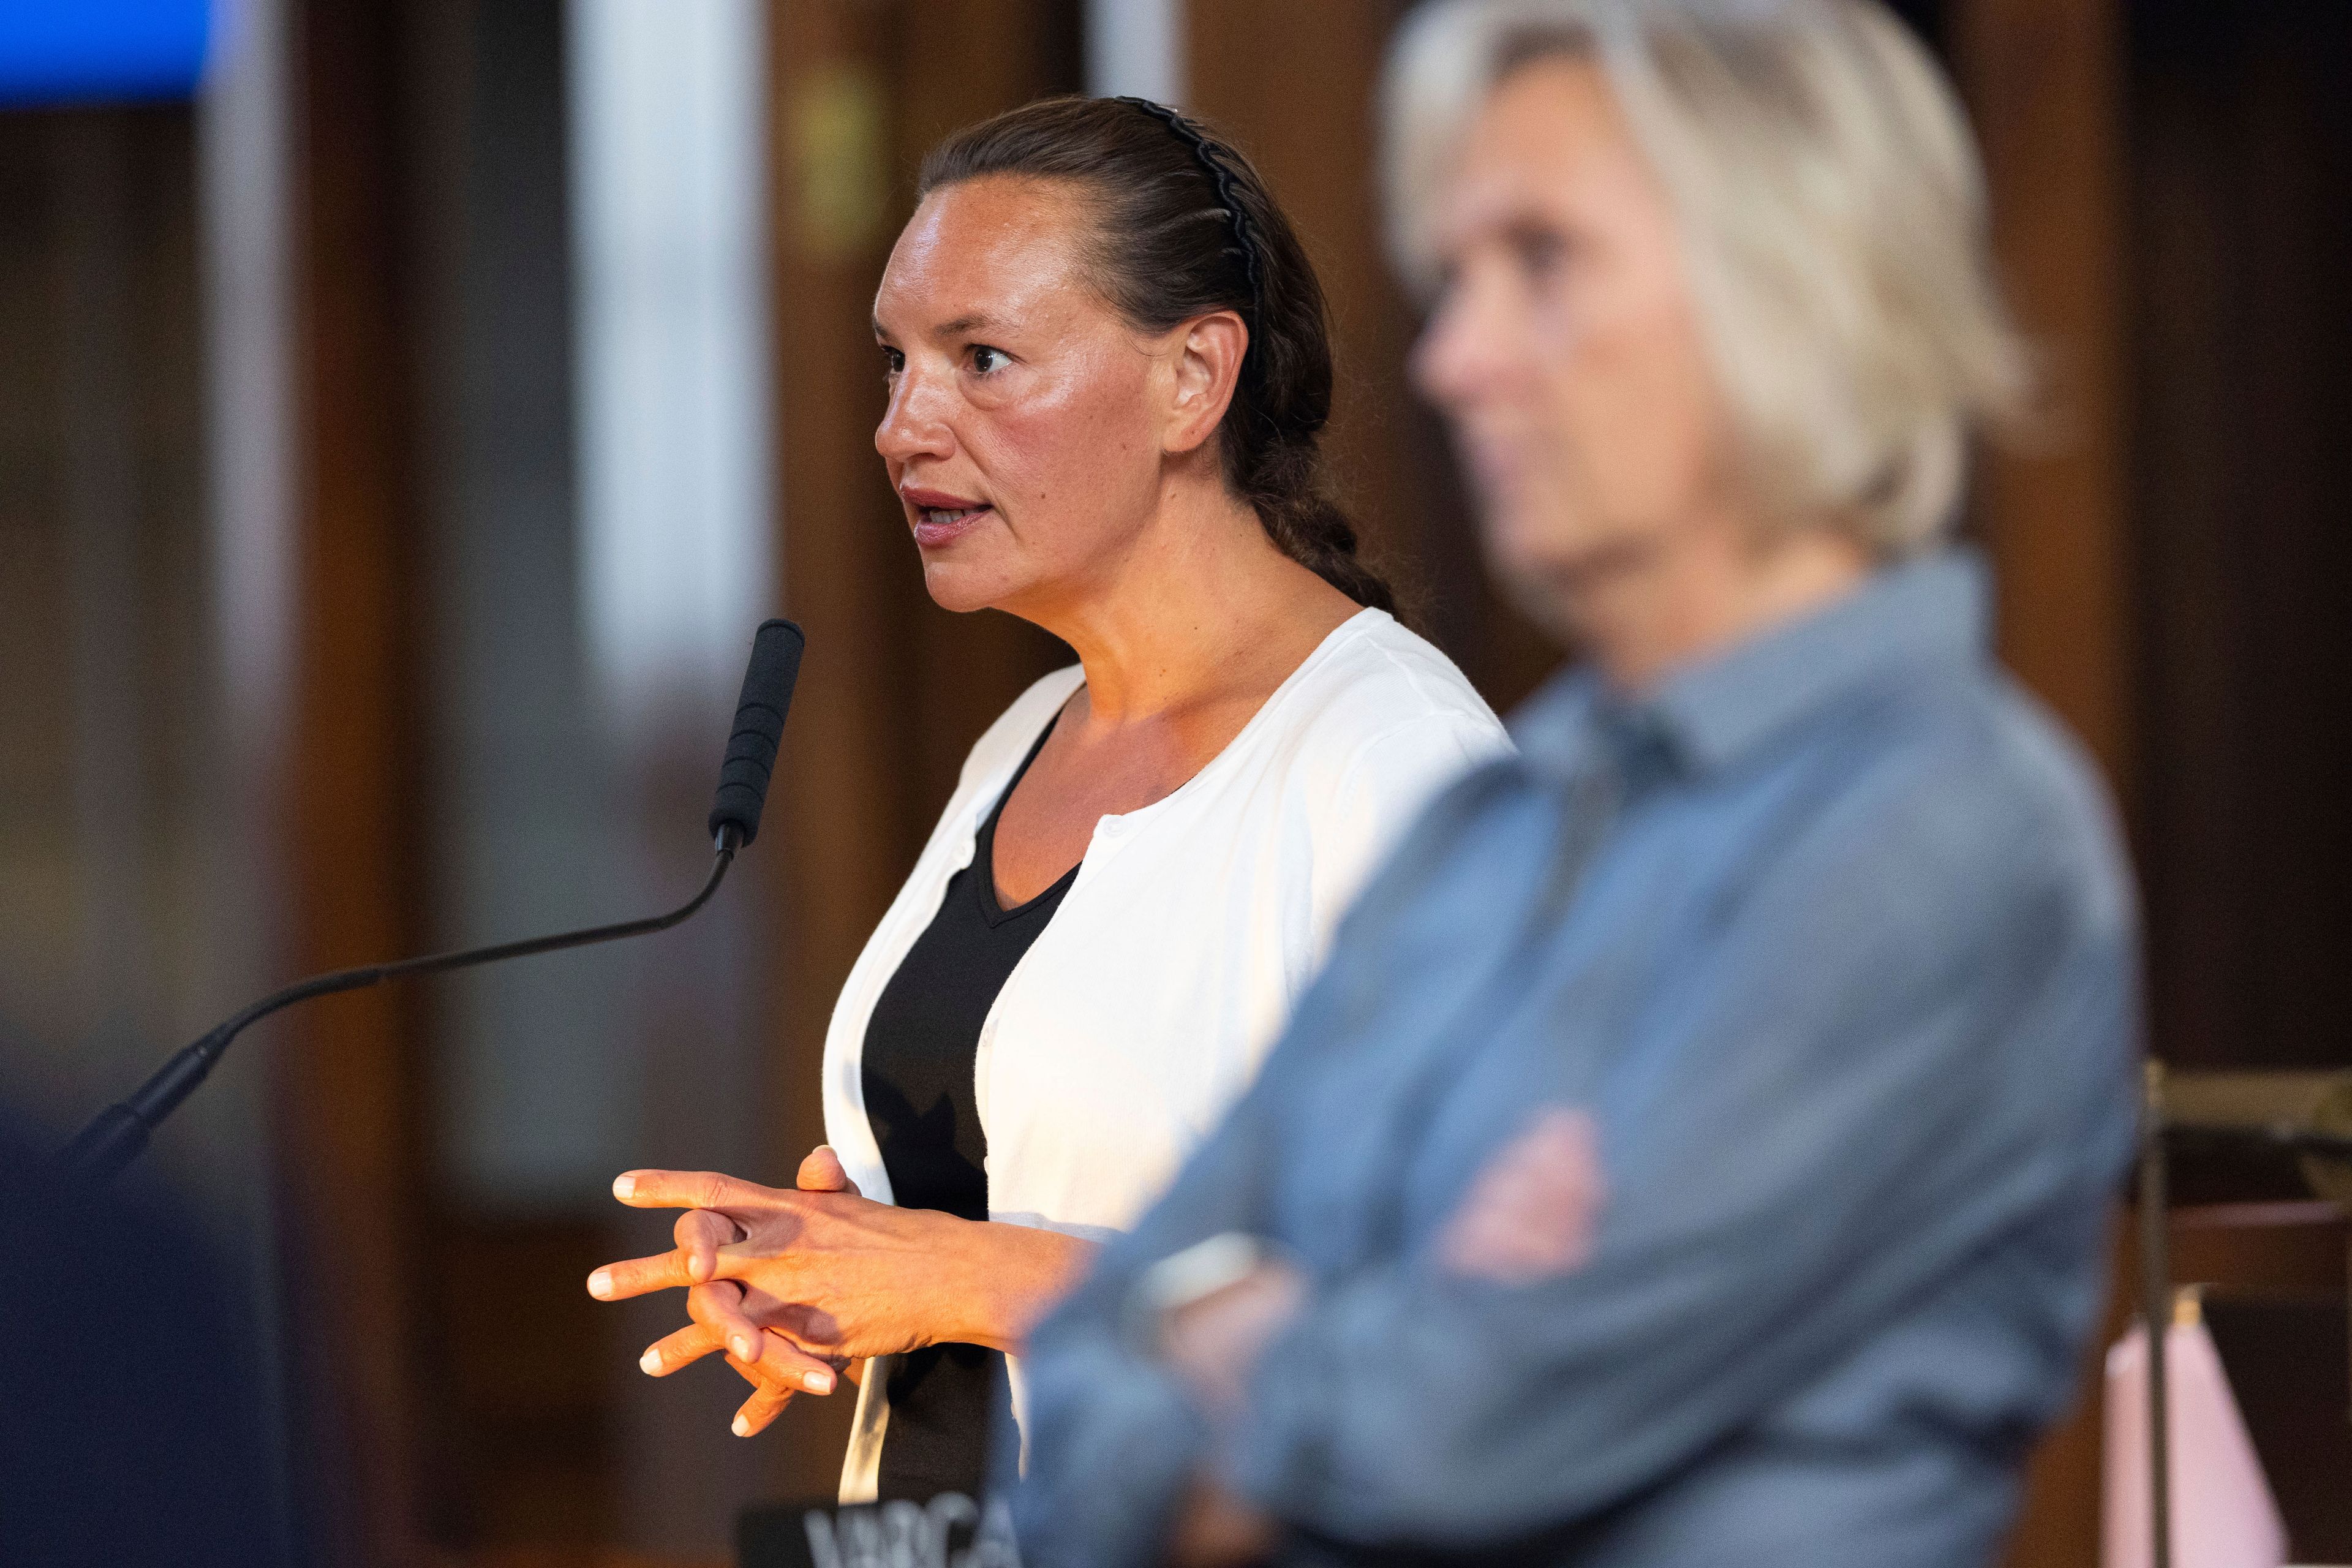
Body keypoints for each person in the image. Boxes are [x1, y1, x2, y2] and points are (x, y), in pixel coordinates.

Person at [1007, 2, 2141, 1564]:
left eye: (1541, 261)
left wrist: (1248, 1337)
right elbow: (1079, 1384)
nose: (1453, 359)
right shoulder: (1493, 823)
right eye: (1453, 276)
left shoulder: (1951, 826)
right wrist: (1338, 1317)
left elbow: (1470, 1428)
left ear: (1793, 284)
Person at [584, 96, 1510, 1504]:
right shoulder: (1026, 738)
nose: (904, 428)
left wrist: (963, 1275)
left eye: (984, 359)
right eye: (897, 363)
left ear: (1193, 379)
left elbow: (1481, 1325)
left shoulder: (1393, 757)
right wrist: (827, 1263)